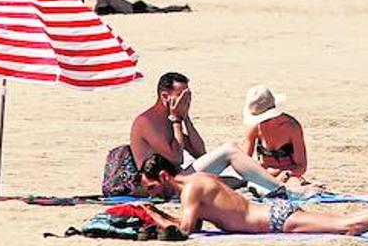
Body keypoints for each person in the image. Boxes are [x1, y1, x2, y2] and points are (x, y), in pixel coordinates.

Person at [136, 154, 368, 238]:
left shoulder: (191, 189)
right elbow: (199, 224)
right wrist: (161, 216)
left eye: (151, 186)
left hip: (271, 220)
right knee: (345, 223)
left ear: (163, 176)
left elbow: (187, 230)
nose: (152, 192)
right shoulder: (197, 183)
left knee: (348, 225)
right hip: (271, 214)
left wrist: (153, 217)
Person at [130, 72, 305, 198]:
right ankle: (281, 188)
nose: (186, 100)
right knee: (230, 150)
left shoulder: (172, 117)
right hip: (161, 185)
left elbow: (199, 152)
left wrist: (186, 118)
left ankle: (273, 186)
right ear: (164, 96)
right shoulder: (147, 121)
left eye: (188, 96)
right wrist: (176, 119)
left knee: (237, 180)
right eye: (181, 96)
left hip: (178, 179)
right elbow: (176, 157)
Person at [242, 85, 309, 183]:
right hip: (263, 174)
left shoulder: (291, 127)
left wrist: (287, 174)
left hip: (288, 175)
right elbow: (244, 160)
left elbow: (301, 166)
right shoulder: (255, 127)